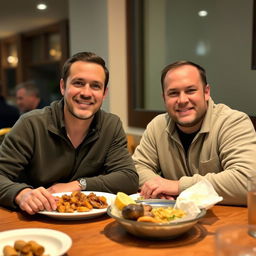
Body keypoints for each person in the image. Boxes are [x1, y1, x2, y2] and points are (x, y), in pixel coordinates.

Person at [0, 51, 139, 214]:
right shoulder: (31, 124)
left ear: (104, 93)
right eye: (78, 83)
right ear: (63, 87)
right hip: (36, 219)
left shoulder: (111, 124)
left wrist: (79, 184)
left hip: (89, 224)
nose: (86, 93)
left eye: (95, 86)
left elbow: (128, 178)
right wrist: (21, 194)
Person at [132, 60, 256, 206]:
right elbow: (136, 168)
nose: (182, 100)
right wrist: (159, 189)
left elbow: (248, 181)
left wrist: (178, 186)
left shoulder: (233, 122)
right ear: (164, 98)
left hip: (224, 222)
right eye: (173, 93)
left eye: (190, 90)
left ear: (206, 92)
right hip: (173, 220)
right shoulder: (157, 126)